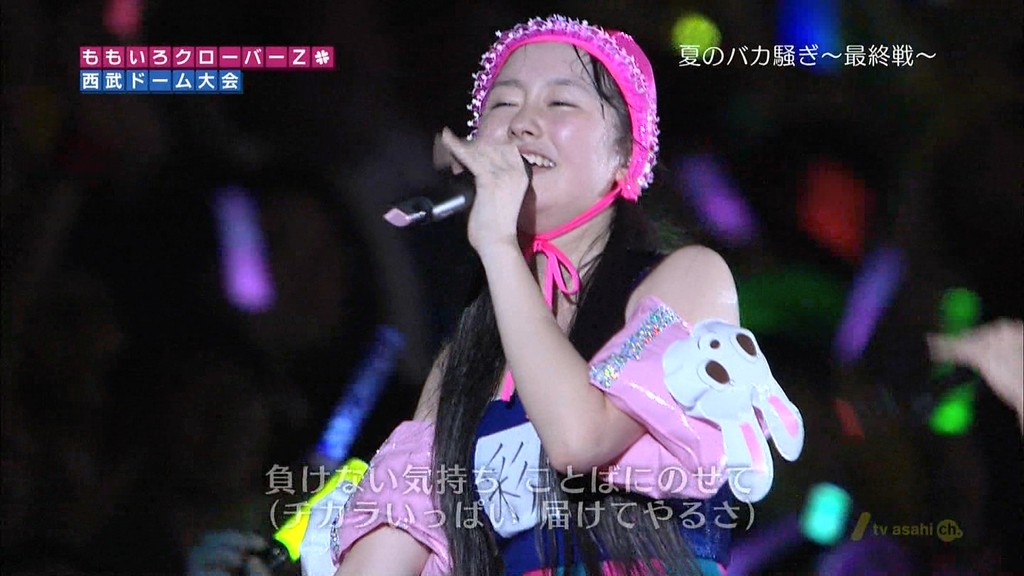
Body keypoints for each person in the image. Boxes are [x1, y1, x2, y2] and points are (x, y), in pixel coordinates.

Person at [303, 15, 805, 576]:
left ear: (626, 155)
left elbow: (579, 439)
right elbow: (387, 549)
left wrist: (497, 245)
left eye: (560, 102)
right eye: (503, 104)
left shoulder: (686, 278)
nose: (523, 123)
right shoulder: (464, 360)